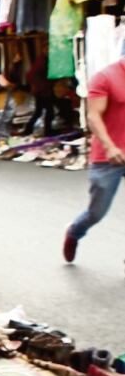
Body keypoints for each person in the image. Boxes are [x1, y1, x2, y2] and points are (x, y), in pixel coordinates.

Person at [63, 56, 125, 264]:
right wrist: (109, 146)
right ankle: (74, 232)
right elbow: (93, 116)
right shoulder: (106, 77)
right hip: (109, 156)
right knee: (97, 212)